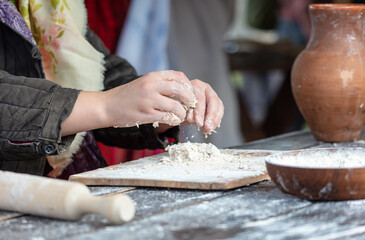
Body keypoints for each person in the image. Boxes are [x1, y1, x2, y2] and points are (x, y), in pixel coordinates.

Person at [0, 0, 224, 178]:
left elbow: (96, 71)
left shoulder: (56, 5)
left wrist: (163, 104)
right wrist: (108, 105)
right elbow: (104, 101)